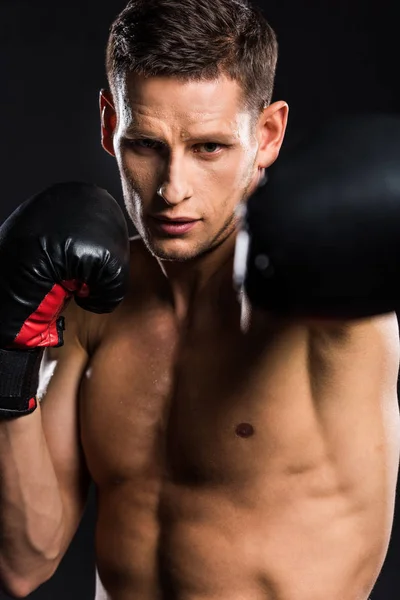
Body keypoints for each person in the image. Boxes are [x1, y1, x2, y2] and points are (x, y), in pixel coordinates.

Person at [0, 1, 399, 599]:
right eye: (145, 144)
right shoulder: (90, 302)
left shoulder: (328, 316)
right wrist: (9, 355)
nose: (171, 190)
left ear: (267, 136)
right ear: (109, 124)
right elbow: (26, 562)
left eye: (208, 147)